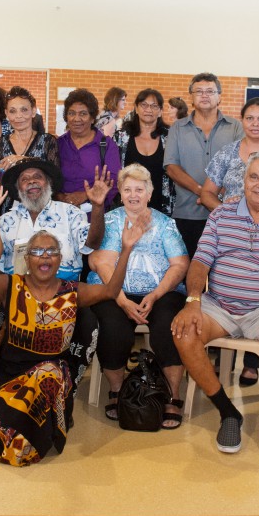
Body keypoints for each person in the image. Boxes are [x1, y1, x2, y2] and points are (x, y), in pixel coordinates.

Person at [0, 218, 145, 465]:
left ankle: (55, 418)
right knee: (16, 448)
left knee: (48, 374)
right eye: (37, 252)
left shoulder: (73, 291)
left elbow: (109, 291)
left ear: (59, 259)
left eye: (51, 251)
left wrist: (126, 249)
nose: (45, 257)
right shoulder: (9, 286)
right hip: (11, 381)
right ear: (27, 259)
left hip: (52, 380)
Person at [0, 157, 112, 444]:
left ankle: (61, 400)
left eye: (38, 177)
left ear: (48, 183)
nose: (32, 181)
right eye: (25, 179)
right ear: (19, 187)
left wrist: (97, 207)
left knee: (88, 323)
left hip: (63, 294)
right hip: (16, 294)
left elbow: (93, 243)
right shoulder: (7, 218)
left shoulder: (69, 213)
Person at [171, 152, 259, 464]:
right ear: (244, 180)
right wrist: (193, 299)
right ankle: (227, 411)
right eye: (254, 177)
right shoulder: (221, 216)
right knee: (184, 333)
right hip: (220, 305)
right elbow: (200, 261)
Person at [88, 164, 189, 427]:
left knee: (169, 324)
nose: (134, 195)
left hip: (161, 292)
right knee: (112, 325)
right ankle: (117, 390)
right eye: (127, 189)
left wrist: (155, 295)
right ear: (119, 194)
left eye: (139, 190)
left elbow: (179, 264)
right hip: (114, 290)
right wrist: (121, 300)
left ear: (150, 193)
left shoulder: (165, 223)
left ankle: (173, 395)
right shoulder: (110, 221)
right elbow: (102, 264)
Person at [163, 72, 243, 257]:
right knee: (188, 270)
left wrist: (217, 193)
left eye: (210, 91)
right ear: (191, 97)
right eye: (199, 91)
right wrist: (202, 192)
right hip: (187, 213)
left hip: (228, 213)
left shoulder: (235, 127)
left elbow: (241, 165)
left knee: (223, 270)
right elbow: (171, 167)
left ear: (219, 96)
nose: (204, 95)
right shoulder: (177, 128)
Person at [56, 88, 120, 213]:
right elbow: (48, 180)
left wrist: (85, 195)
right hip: (60, 215)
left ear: (92, 118)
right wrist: (59, 197)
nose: (76, 119)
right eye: (71, 113)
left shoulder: (106, 145)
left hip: (95, 216)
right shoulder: (58, 144)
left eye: (83, 114)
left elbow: (114, 182)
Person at [113, 88, 173, 213]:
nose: (148, 110)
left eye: (154, 106)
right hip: (128, 205)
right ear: (136, 108)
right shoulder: (121, 137)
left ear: (161, 111)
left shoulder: (170, 138)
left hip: (161, 206)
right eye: (144, 105)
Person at [0, 86, 59, 190]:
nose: (18, 116)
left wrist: (24, 160)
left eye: (24, 110)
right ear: (6, 113)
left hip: (39, 204)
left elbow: (55, 178)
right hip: (8, 205)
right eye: (13, 111)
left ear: (33, 111)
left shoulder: (48, 141)